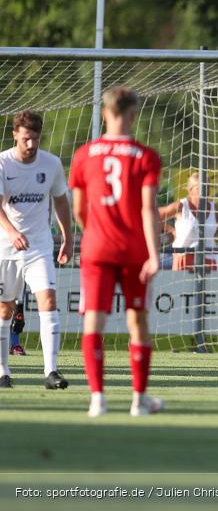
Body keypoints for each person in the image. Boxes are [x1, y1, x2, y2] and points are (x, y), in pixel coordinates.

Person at [69, 86, 163, 417]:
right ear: (133, 114)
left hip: (96, 248)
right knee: (137, 319)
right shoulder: (146, 156)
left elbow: (78, 210)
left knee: (94, 321)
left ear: (105, 113)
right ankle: (139, 401)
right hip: (134, 250)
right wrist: (154, 254)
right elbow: (149, 210)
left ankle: (98, 399)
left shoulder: (83, 154)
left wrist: (97, 232)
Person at [0, 111, 73, 389]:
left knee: (48, 300)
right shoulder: (3, 163)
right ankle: (3, 372)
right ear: (15, 135)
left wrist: (67, 238)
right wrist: (11, 232)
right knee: (5, 309)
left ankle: (51, 372)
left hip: (39, 247)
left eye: (35, 139)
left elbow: (61, 201)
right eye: (26, 139)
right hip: (6, 247)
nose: (31, 145)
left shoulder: (51, 164)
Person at [159, 171, 218, 272]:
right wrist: (171, 230)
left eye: (208, 187)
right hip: (184, 257)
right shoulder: (181, 206)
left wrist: (215, 228)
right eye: (201, 187)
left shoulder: (215, 208)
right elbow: (155, 216)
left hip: (208, 258)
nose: (206, 191)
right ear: (190, 190)